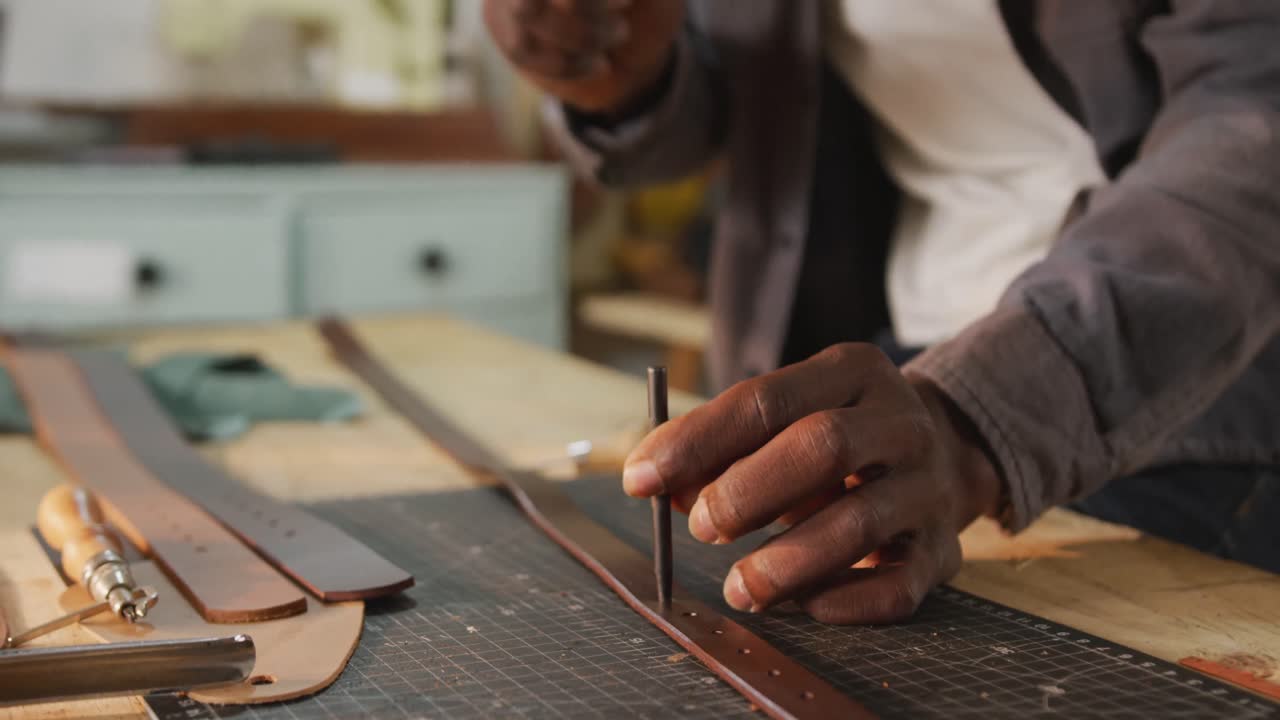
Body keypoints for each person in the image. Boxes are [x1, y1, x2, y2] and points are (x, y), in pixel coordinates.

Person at [484, 0, 1280, 623]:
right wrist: (624, 79)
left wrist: (977, 422)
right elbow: (741, 103)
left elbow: (1254, 127)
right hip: (898, 358)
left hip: (1190, 375)